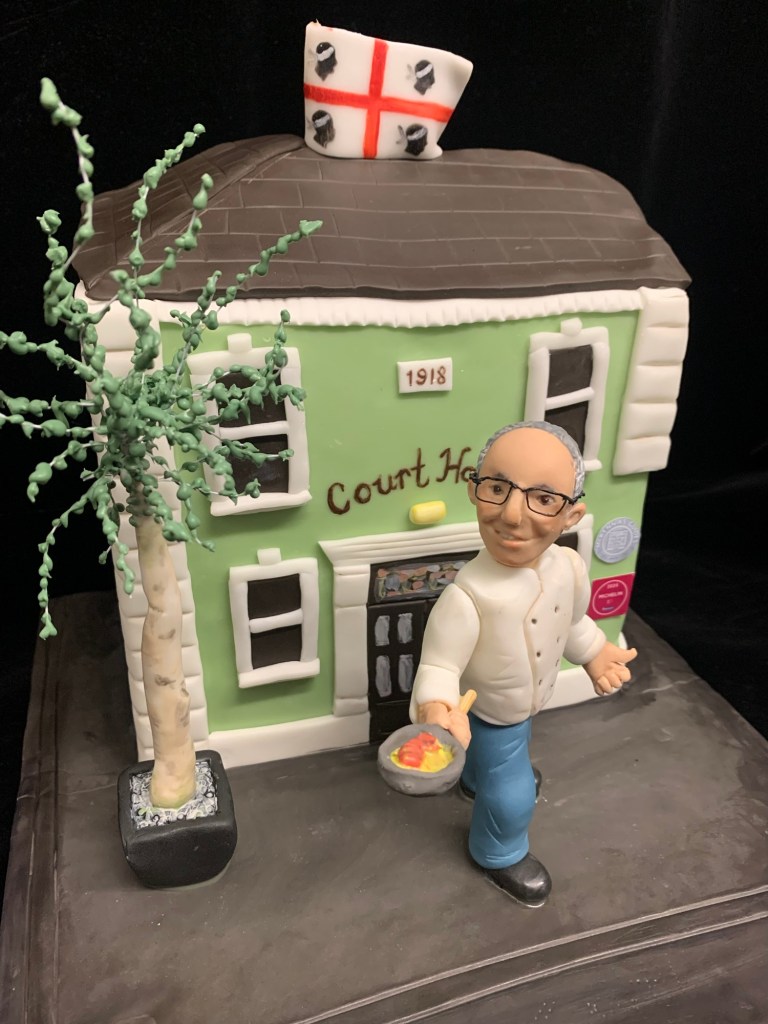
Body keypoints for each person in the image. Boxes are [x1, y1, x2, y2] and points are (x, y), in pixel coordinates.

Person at [409, 421, 637, 906]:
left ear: (572, 514)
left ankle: (476, 780)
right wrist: (436, 709)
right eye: (497, 488)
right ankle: (499, 851)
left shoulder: (569, 568)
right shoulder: (466, 596)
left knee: (501, 752)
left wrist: (596, 653)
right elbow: (439, 668)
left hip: (524, 705)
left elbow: (572, 623)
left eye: (543, 498)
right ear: (473, 491)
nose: (513, 515)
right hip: (492, 714)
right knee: (512, 793)